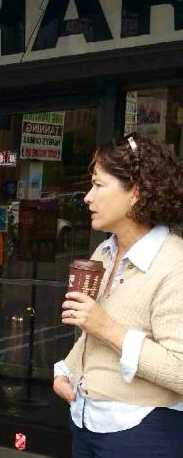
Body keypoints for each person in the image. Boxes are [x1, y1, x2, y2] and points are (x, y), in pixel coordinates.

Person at [53, 134, 183, 457]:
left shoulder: (174, 264)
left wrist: (106, 326)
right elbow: (92, 336)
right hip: (85, 423)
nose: (87, 197)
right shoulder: (104, 252)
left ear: (136, 192)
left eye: (98, 185)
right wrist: (66, 370)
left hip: (143, 433)